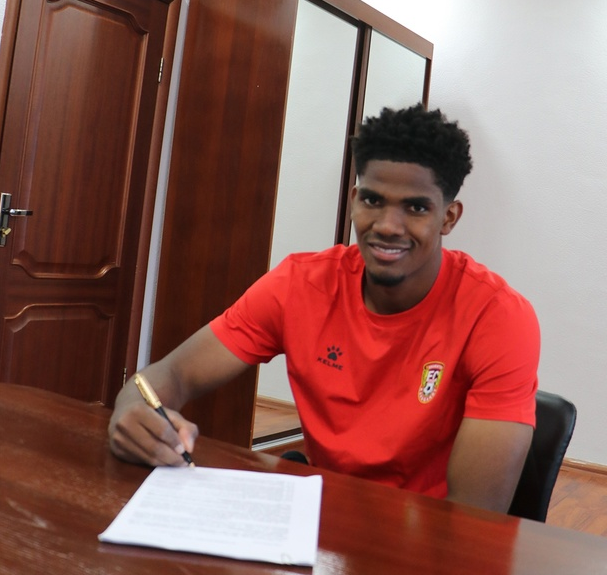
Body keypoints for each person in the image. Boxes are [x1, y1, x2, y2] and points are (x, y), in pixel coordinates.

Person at [109, 104, 540, 513]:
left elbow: (473, 516)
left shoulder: (498, 317)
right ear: (353, 199)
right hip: (318, 519)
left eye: (415, 207)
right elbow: (173, 374)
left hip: (422, 537)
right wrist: (132, 407)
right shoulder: (300, 284)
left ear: (449, 217)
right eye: (373, 200)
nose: (387, 226)